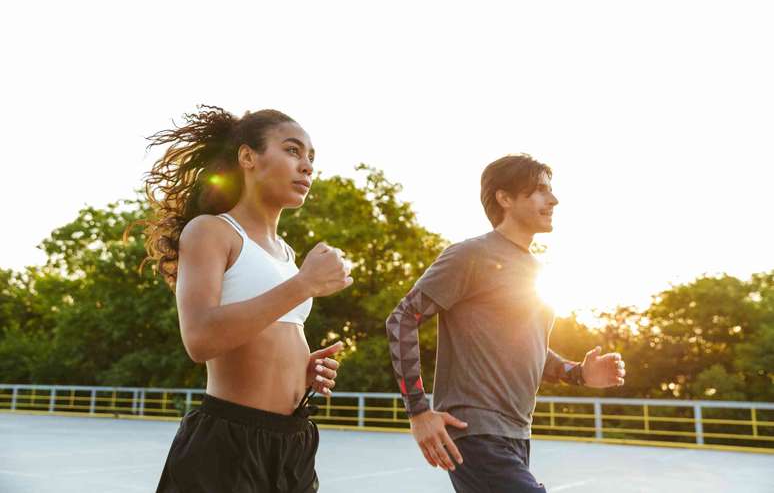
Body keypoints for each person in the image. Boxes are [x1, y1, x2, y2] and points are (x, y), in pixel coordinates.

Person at [141, 105, 352, 492]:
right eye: (292, 150)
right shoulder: (211, 232)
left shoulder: (287, 254)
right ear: (247, 157)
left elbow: (263, 333)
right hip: (229, 443)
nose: (306, 166)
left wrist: (297, 370)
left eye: (311, 157)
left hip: (294, 440)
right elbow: (200, 338)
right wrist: (304, 285)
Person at [385, 154, 626, 492]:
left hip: (516, 433)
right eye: (540, 191)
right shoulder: (470, 255)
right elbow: (401, 319)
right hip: (476, 432)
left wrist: (579, 374)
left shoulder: (537, 271)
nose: (553, 200)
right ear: (505, 198)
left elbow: (529, 348)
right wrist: (418, 411)